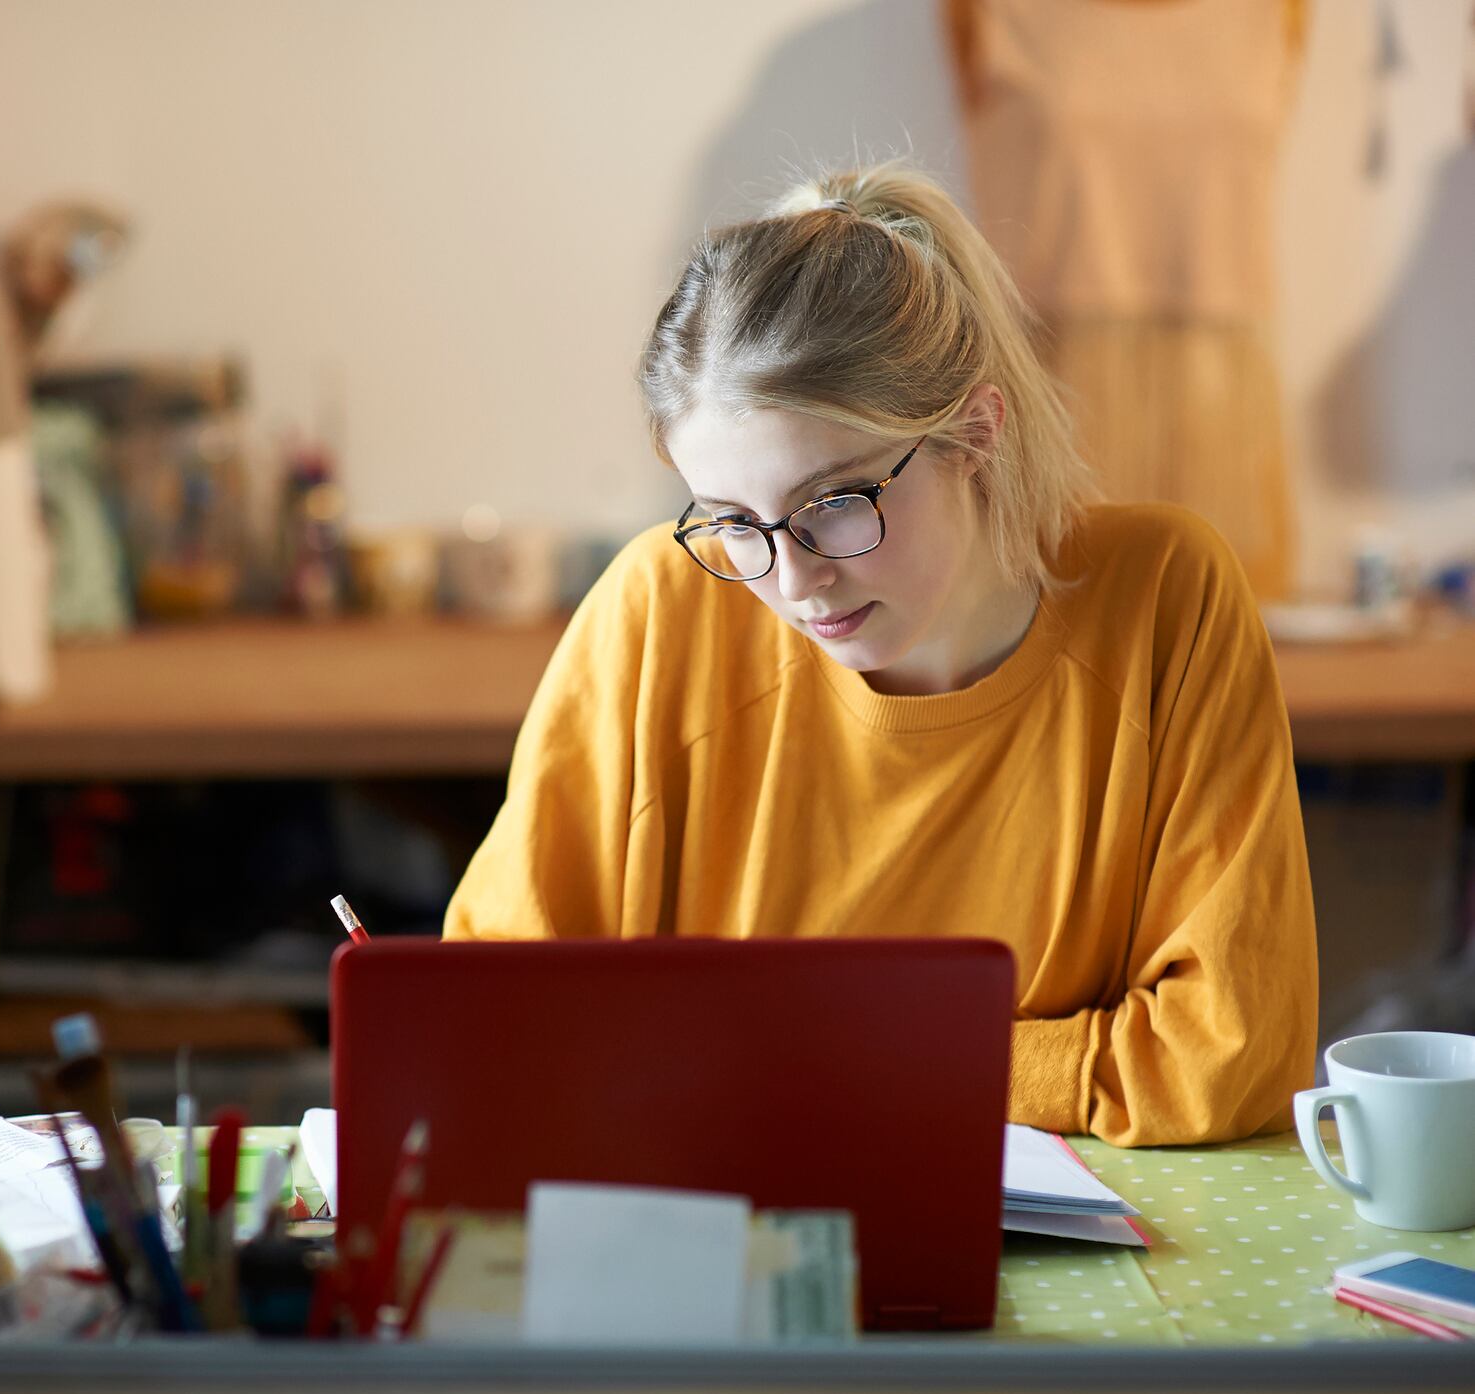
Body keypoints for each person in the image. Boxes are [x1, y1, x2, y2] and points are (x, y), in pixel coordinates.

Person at [444, 163, 1316, 1147]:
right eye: (734, 520)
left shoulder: (1165, 596)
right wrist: (1031, 1063)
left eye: (834, 502)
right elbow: (494, 1010)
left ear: (972, 435)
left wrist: (793, 1059)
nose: (792, 581)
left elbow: (1228, 1057)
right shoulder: (660, 608)